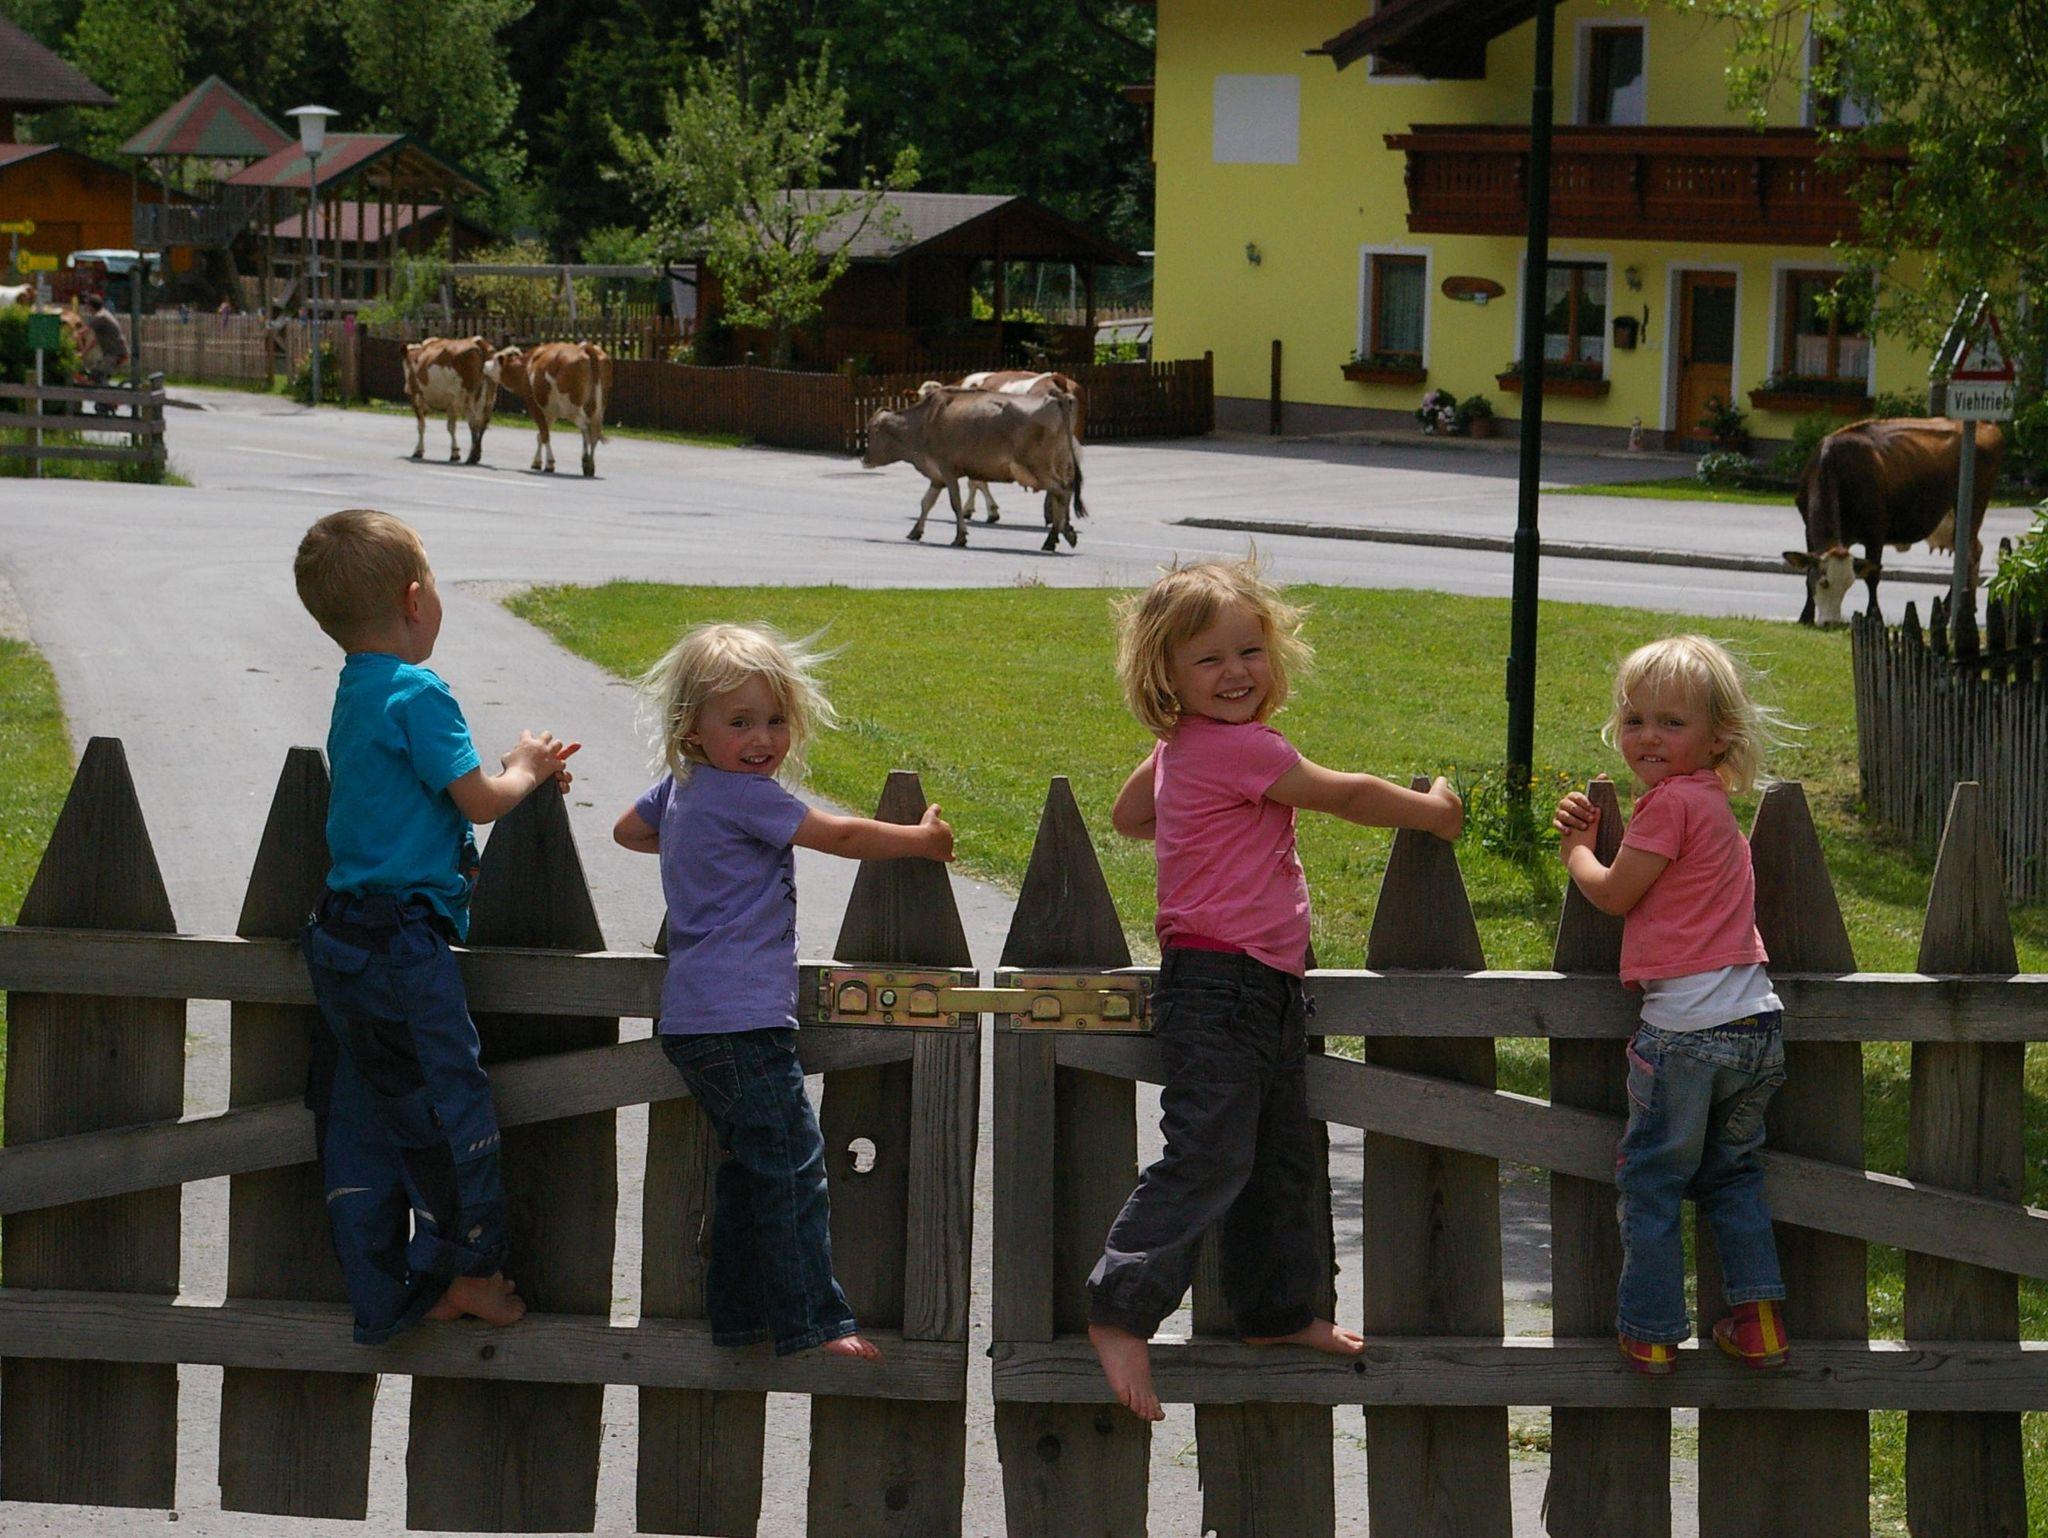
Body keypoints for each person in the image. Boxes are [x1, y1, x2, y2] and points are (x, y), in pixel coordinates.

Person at [1087, 557, 1465, 1422]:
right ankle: (1120, 1307)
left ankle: (1275, 1312)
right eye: (1208, 660)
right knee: (1209, 1153)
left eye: (1249, 652)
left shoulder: (1186, 747)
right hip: (1220, 983)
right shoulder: (1246, 748)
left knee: (1278, 1157)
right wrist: (1435, 811)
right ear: (1166, 677)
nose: (1236, 673)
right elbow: (1348, 796)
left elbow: (1130, 816)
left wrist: (1180, 759)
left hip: (1258, 984)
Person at [614, 622, 953, 1360]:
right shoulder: (744, 796)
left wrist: (698, 847)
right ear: (691, 728)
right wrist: (921, 841)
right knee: (795, 1165)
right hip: (741, 1022)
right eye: (739, 722)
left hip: (697, 1020)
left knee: (750, 1170)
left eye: (775, 720)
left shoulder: (683, 789)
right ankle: (815, 1321)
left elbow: (626, 833)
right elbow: (842, 837)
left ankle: (739, 1319)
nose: (762, 739)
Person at [293, 509, 580, 1344]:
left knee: (361, 1113)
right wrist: (526, 767)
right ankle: (472, 1269)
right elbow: (481, 802)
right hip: (401, 944)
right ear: (416, 600)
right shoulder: (419, 692)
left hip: (342, 936)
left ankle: (387, 1290)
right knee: (451, 1108)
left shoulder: (356, 689)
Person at [1552, 635, 1791, 1374]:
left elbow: (1615, 893)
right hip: (1755, 1024)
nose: (1648, 736)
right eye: (1635, 720)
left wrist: (1577, 851)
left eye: (1671, 722)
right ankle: (1758, 1322)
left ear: (1719, 736)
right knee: (1733, 1175)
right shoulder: (1714, 806)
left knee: (1653, 1181)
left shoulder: (1668, 807)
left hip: (1685, 1031)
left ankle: (1652, 1331)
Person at [78, 293, 129, 387]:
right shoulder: (104, 314)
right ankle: (104, 393)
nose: (86, 308)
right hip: (114, 353)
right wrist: (84, 353)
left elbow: (81, 333)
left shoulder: (100, 317)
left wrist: (73, 336)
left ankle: (106, 395)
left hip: (115, 353)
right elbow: (95, 340)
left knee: (97, 375)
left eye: (87, 305)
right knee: (98, 375)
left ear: (91, 306)